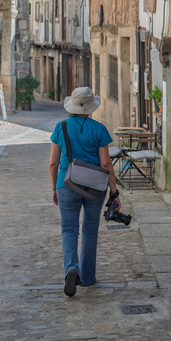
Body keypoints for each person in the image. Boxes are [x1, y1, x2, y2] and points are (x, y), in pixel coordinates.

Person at [49, 87, 121, 297]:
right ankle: (88, 277)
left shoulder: (60, 127)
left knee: (69, 230)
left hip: (66, 183)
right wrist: (114, 192)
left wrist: (55, 187)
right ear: (90, 108)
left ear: (71, 106)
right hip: (95, 186)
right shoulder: (99, 129)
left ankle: (71, 269)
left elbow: (53, 163)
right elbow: (106, 163)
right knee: (90, 230)